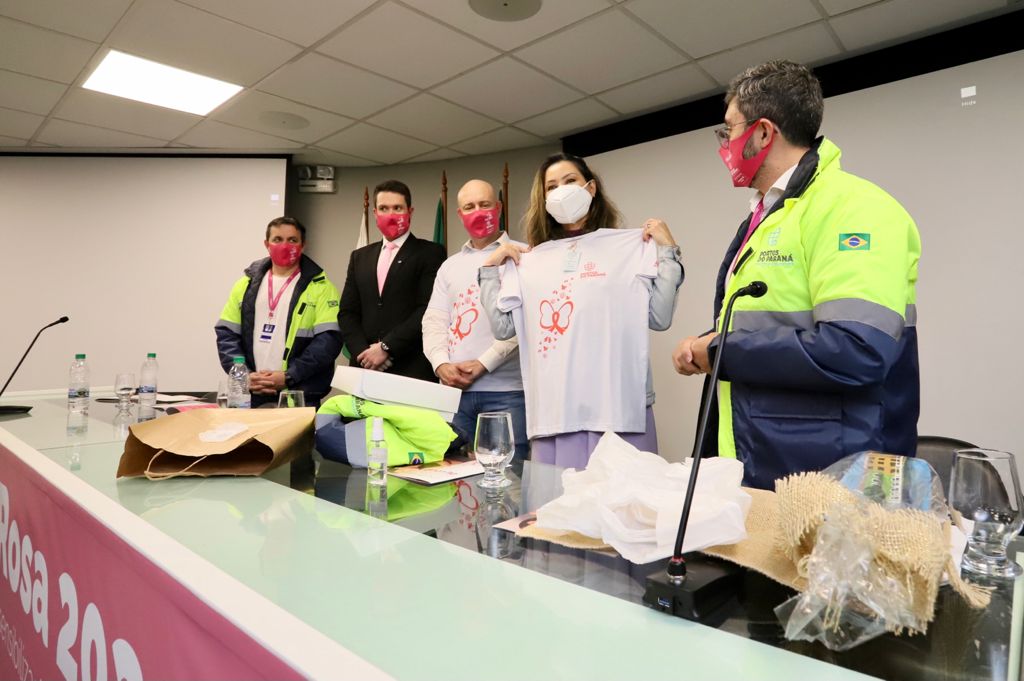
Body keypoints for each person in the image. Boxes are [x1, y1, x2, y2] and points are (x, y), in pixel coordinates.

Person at [671, 60, 921, 490]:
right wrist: (708, 344)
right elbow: (775, 320)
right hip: (765, 451)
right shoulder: (772, 214)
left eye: (729, 130)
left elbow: (857, 348)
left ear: (764, 133)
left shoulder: (853, 208)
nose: (724, 144)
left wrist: (721, 352)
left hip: (831, 470)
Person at [478, 153, 684, 469]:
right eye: (552, 186)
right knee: (559, 508)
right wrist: (491, 269)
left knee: (624, 509)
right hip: (558, 410)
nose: (561, 190)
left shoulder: (627, 248)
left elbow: (659, 316)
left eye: (570, 180)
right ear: (544, 199)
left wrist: (668, 252)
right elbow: (504, 329)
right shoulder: (532, 260)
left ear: (590, 188)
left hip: (620, 405)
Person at [422, 179, 528, 462]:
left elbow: (527, 325)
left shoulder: (525, 255)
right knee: (457, 486)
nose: (478, 212)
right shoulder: (449, 266)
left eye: (485, 204)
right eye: (469, 207)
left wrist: (484, 363)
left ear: (499, 207)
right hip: (455, 396)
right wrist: (440, 363)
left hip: (508, 393)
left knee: (511, 483)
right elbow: (433, 321)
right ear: (459, 215)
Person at [215, 217, 342, 407]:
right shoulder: (245, 284)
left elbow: (328, 343)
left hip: (299, 396)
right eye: (277, 239)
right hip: (250, 393)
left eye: (292, 240)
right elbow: (227, 335)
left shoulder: (321, 288)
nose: (285, 245)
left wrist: (288, 377)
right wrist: (244, 376)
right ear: (267, 244)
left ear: (303, 245)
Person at [339, 180, 446, 382]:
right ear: (375, 213)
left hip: (411, 369)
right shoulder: (359, 256)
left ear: (410, 211)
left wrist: (386, 348)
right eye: (384, 208)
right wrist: (364, 354)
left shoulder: (430, 253)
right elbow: (347, 312)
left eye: (397, 208)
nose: (390, 214)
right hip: (365, 370)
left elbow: (427, 308)